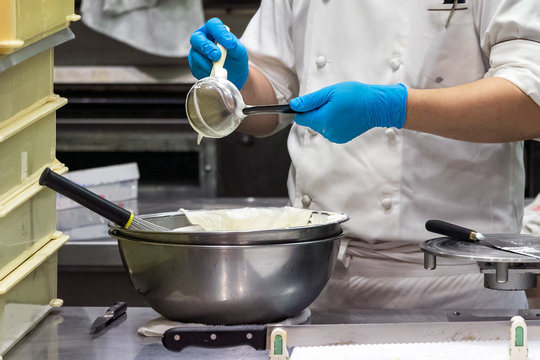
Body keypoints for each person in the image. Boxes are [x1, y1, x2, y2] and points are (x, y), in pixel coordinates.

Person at [188, 0, 540, 309]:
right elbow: (268, 103)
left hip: (458, 282)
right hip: (315, 279)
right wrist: (236, 82)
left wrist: (393, 107)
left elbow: (530, 101)